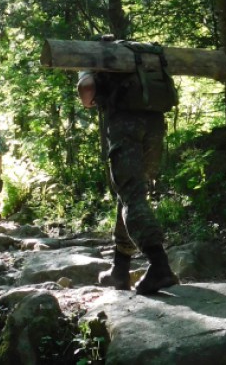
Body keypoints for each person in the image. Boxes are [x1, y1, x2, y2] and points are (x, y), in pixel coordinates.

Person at [77, 46, 180, 296]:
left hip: (126, 126)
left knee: (131, 196)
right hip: (155, 124)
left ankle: (159, 264)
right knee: (131, 193)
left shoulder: (96, 56)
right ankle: (120, 269)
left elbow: (87, 89)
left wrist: (88, 95)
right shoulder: (144, 57)